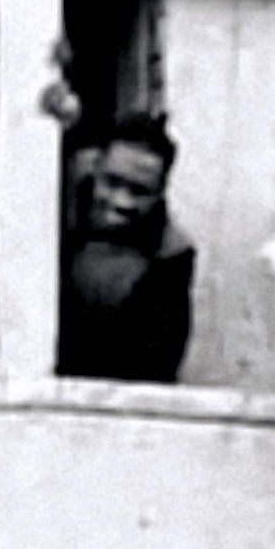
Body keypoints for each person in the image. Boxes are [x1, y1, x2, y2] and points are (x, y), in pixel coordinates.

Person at [56, 110, 197, 383]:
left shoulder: (169, 261)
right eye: (112, 183)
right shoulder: (52, 219)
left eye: (139, 191)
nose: (122, 202)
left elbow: (156, 368)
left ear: (160, 192)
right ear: (94, 168)